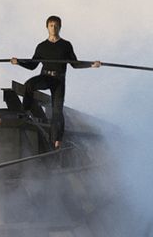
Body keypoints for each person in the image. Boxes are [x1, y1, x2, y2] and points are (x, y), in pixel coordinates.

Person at [11, 15, 101, 147]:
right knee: (29, 84)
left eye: (56, 25)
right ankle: (26, 111)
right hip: (45, 77)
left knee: (57, 110)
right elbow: (32, 66)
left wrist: (92, 64)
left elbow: (75, 64)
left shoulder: (66, 45)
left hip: (59, 80)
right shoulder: (41, 46)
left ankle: (56, 139)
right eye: (51, 25)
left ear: (60, 27)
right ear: (47, 27)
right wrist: (18, 62)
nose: (53, 28)